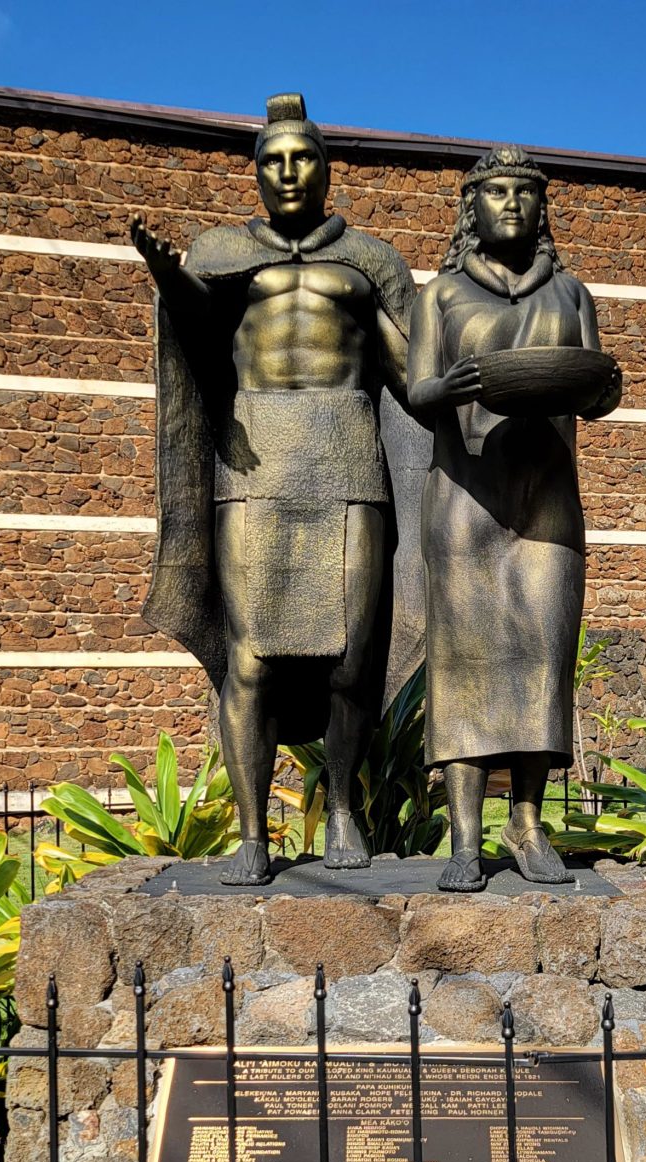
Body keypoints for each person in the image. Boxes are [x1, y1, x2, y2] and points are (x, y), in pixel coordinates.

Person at [132, 94, 420, 884]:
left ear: (328, 170)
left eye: (304, 158)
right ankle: (254, 833)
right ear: (256, 172)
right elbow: (195, 329)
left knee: (352, 660)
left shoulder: (372, 260)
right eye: (273, 160)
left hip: (349, 458)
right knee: (251, 658)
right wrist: (167, 273)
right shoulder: (221, 251)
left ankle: (345, 812)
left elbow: (415, 372)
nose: (288, 172)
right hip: (254, 465)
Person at [407, 144, 621, 892]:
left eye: (524, 193)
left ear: (540, 208)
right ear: (472, 206)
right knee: (464, 662)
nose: (511, 204)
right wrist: (450, 385)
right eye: (495, 192)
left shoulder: (571, 294)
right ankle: (465, 837)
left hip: (547, 496)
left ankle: (526, 823)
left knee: (543, 656)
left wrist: (604, 390)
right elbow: (414, 392)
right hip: (465, 498)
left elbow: (594, 388)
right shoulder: (437, 295)